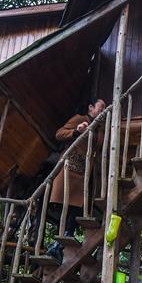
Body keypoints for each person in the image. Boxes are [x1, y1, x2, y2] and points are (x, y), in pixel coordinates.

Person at [47, 99, 105, 262]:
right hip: (71, 169)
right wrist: (76, 131)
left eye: (104, 109)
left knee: (76, 209)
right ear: (91, 108)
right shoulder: (80, 119)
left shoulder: (100, 129)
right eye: (100, 107)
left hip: (84, 173)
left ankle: (59, 245)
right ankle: (57, 244)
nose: (102, 111)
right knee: (67, 207)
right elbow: (59, 133)